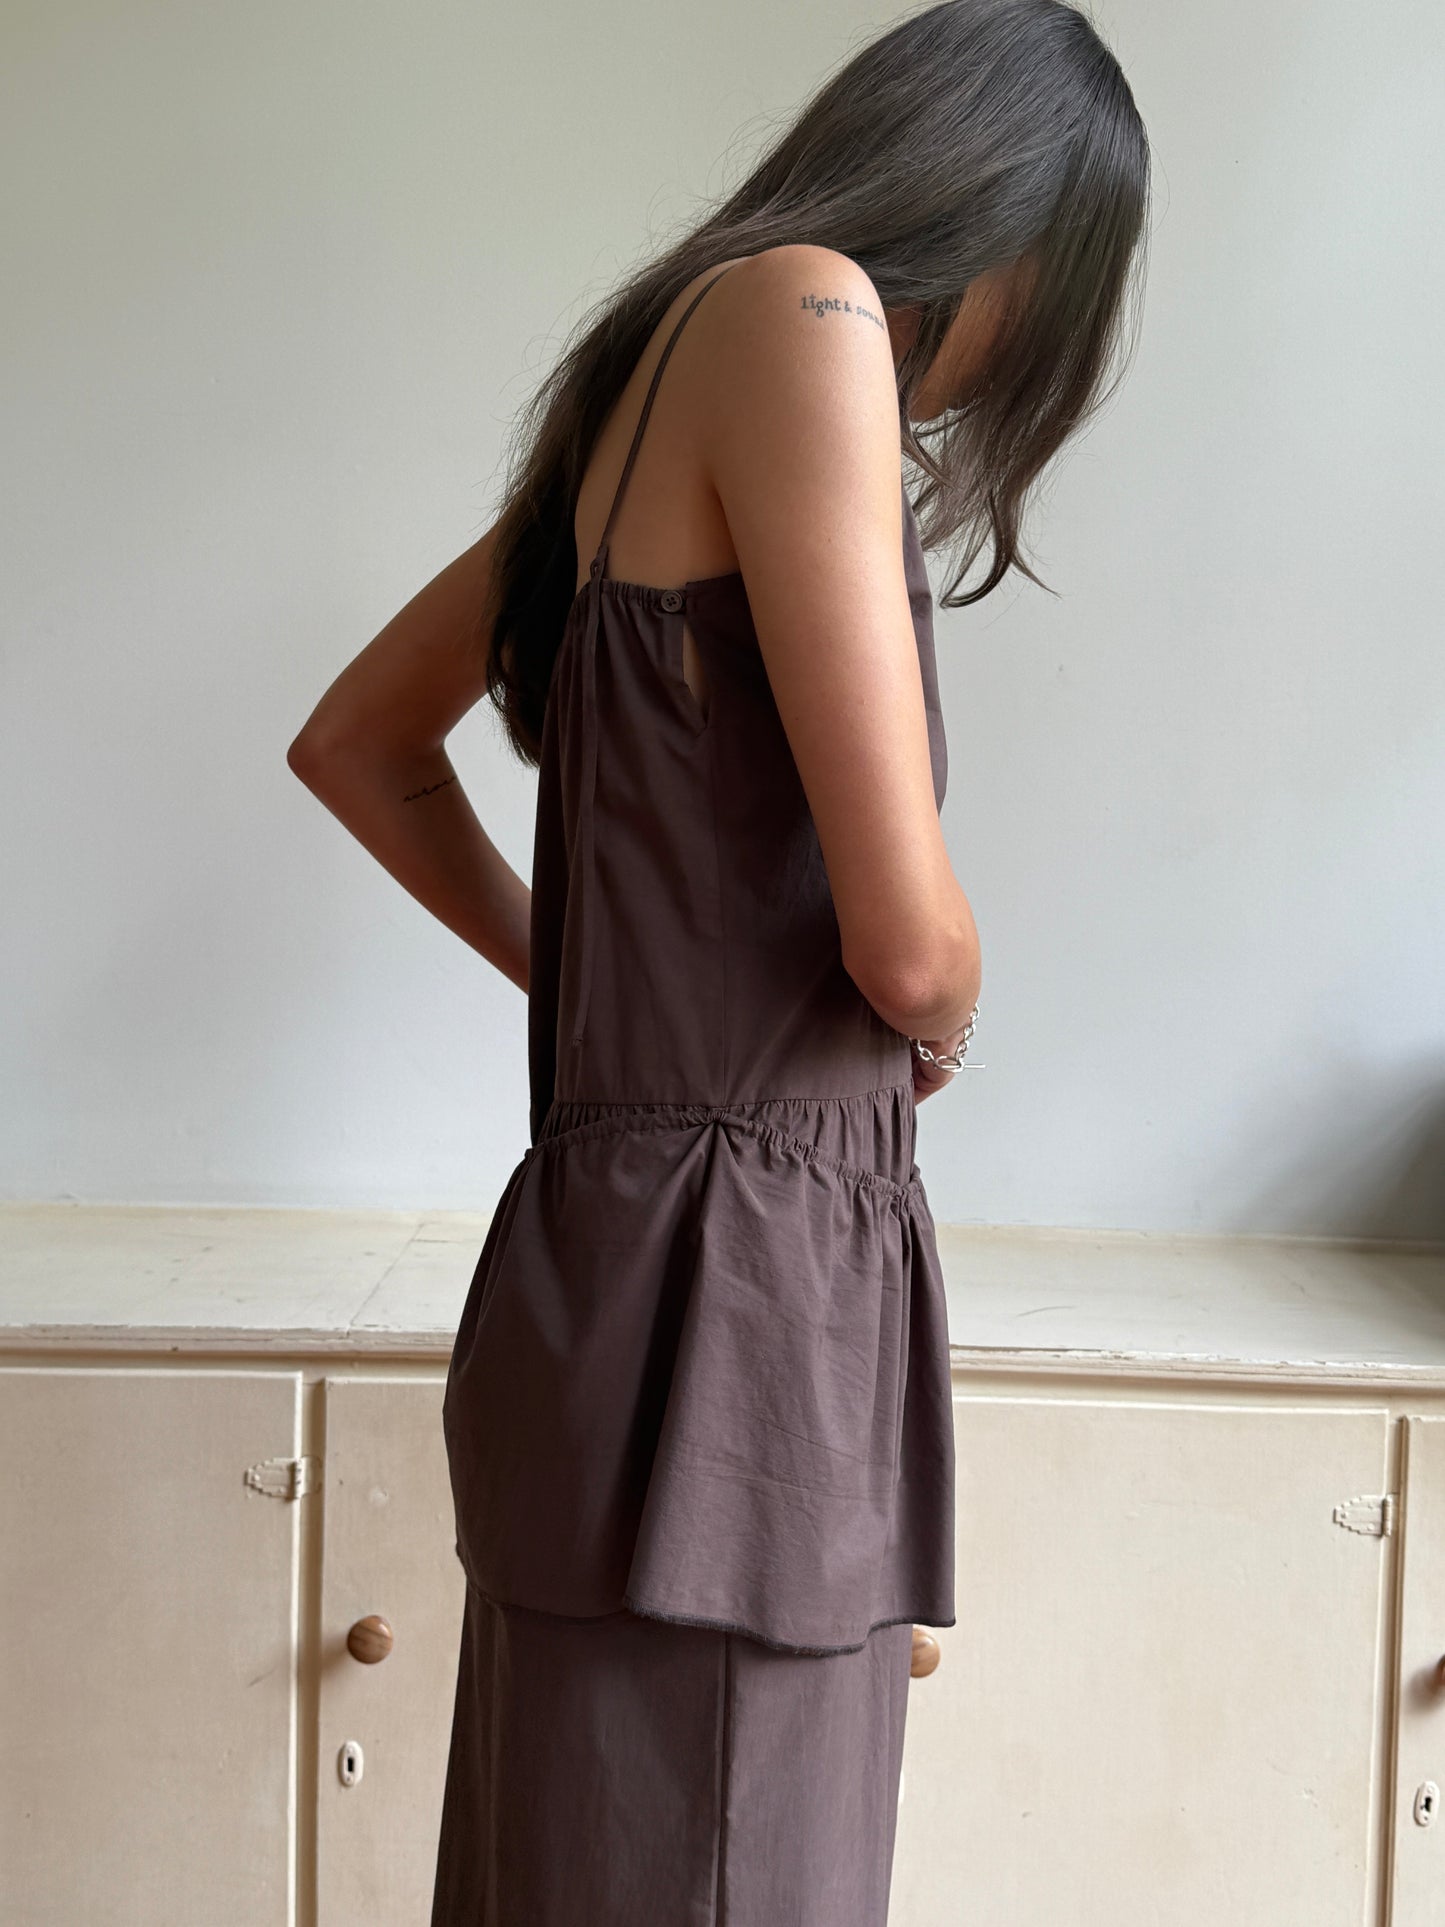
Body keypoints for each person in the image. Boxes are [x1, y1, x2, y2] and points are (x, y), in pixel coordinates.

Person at [287, 2, 1149, 1918]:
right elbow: (907, 945)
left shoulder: (644, 390)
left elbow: (356, 742)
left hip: (626, 1256)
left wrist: (607, 995)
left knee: (580, 1854)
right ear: (1012, 228)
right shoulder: (809, 315)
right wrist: (953, 1007)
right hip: (746, 1288)